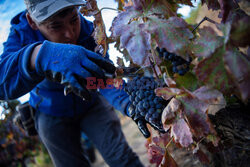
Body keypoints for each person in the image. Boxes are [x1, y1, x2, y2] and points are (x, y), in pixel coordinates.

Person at [0, 0, 163, 166]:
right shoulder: (21, 35)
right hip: (50, 112)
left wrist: (128, 103)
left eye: (73, 20)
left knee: (122, 158)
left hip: (91, 105)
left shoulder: (88, 31)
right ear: (32, 22)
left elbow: (102, 80)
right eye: (56, 26)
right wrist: (38, 56)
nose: (70, 34)